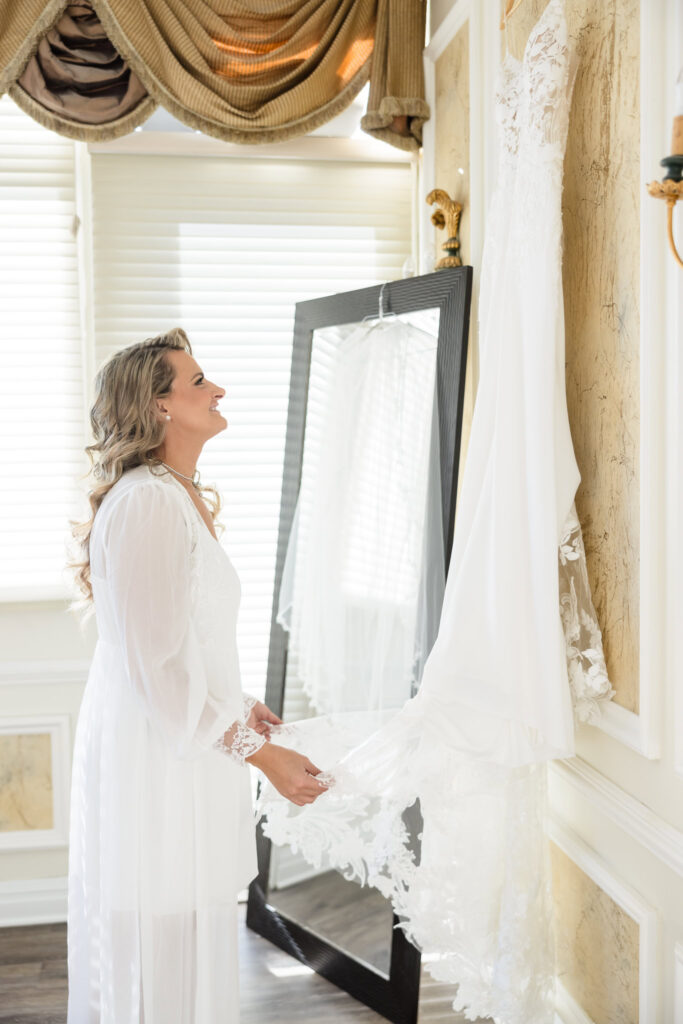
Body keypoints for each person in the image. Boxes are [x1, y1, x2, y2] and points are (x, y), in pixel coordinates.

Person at [65, 327, 326, 1024]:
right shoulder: (148, 501)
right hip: (156, 756)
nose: (217, 390)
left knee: (183, 933)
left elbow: (177, 644)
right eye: (199, 381)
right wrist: (264, 757)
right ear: (159, 408)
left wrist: (240, 703)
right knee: (160, 944)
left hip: (180, 741)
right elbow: (153, 668)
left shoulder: (173, 495)